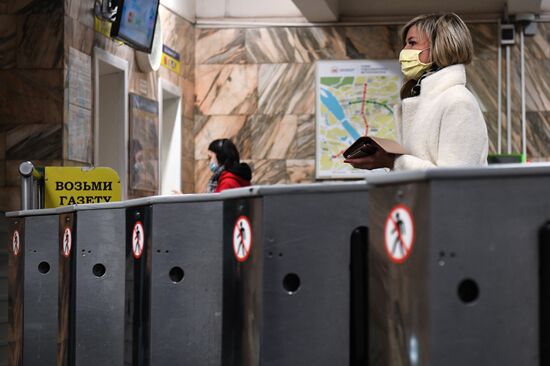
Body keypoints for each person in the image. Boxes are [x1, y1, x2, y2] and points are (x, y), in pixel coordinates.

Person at [344, 13, 488, 171]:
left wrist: (392, 161)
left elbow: (453, 180)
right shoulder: (424, 101)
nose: (403, 52)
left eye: (412, 43)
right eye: (404, 44)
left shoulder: (458, 101)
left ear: (440, 46)